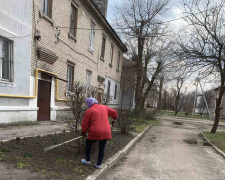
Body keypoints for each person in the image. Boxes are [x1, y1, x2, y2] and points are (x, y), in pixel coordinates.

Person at [81, 97, 118, 169]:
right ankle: (98, 164)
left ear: (89, 103)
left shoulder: (89, 111)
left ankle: (88, 160)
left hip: (95, 132)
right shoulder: (105, 107)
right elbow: (115, 113)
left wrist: (83, 133)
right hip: (106, 132)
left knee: (88, 143)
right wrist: (114, 122)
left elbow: (84, 125)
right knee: (102, 147)